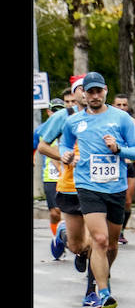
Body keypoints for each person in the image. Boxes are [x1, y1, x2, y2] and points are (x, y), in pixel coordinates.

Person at [59, 72, 135, 308]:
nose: (95, 95)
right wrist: (66, 154)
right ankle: (104, 291)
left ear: (105, 90)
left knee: (112, 243)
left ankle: (102, 276)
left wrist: (118, 148)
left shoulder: (121, 119)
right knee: (100, 240)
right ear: (83, 94)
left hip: (115, 187)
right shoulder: (74, 121)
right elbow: (65, 143)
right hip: (88, 185)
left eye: (99, 91)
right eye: (90, 91)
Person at [39, 76, 97, 308]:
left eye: (91, 89)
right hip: (70, 186)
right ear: (74, 94)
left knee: (99, 241)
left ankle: (93, 289)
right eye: (82, 89)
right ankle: (64, 235)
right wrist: (62, 156)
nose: (86, 93)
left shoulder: (106, 116)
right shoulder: (65, 116)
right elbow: (43, 145)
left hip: (98, 187)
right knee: (77, 245)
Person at [112, 94, 135, 245]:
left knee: (127, 201)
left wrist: (132, 154)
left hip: (129, 165)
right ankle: (112, 227)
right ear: (113, 106)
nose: (121, 108)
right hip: (113, 165)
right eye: (118, 105)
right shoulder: (109, 122)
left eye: (124, 105)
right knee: (114, 198)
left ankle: (121, 230)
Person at [36, 97, 66, 258]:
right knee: (54, 212)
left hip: (67, 175)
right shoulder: (42, 129)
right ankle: (57, 237)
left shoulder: (68, 126)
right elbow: (36, 146)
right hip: (50, 176)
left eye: (60, 110)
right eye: (54, 110)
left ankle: (66, 235)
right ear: (48, 112)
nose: (57, 113)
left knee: (64, 211)